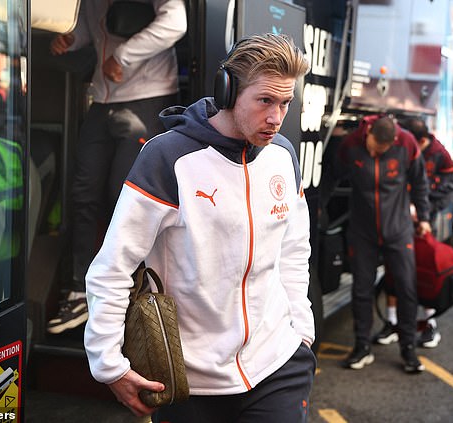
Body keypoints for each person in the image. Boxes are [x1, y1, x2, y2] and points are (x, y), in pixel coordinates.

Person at [84, 33, 316, 421]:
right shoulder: (168, 157)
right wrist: (108, 365)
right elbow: (112, 266)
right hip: (190, 383)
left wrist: (302, 333)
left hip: (277, 365)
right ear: (227, 91)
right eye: (264, 101)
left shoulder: (283, 156)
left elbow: (294, 251)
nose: (276, 117)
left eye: (285, 103)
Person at [46, 0, 187, 334]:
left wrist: (123, 56)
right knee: (82, 194)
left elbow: (176, 22)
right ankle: (82, 289)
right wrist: (72, 39)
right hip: (103, 97)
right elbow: (91, 28)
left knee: (125, 200)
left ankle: (130, 294)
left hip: (148, 96)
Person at [335, 115, 431, 373]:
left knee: (406, 288)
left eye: (381, 150)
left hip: (398, 229)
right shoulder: (352, 143)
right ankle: (362, 347)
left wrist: (424, 217)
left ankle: (408, 348)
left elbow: (420, 182)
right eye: (372, 146)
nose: (374, 152)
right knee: (361, 290)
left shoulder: (407, 144)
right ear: (368, 134)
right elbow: (332, 172)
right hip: (362, 231)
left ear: (393, 142)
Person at [374, 117, 453, 349]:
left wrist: (424, 214)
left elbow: (449, 189)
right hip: (399, 221)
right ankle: (391, 323)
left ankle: (430, 325)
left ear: (420, 140)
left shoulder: (440, 154)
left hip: (425, 222)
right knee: (393, 271)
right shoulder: (402, 149)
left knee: (425, 271)